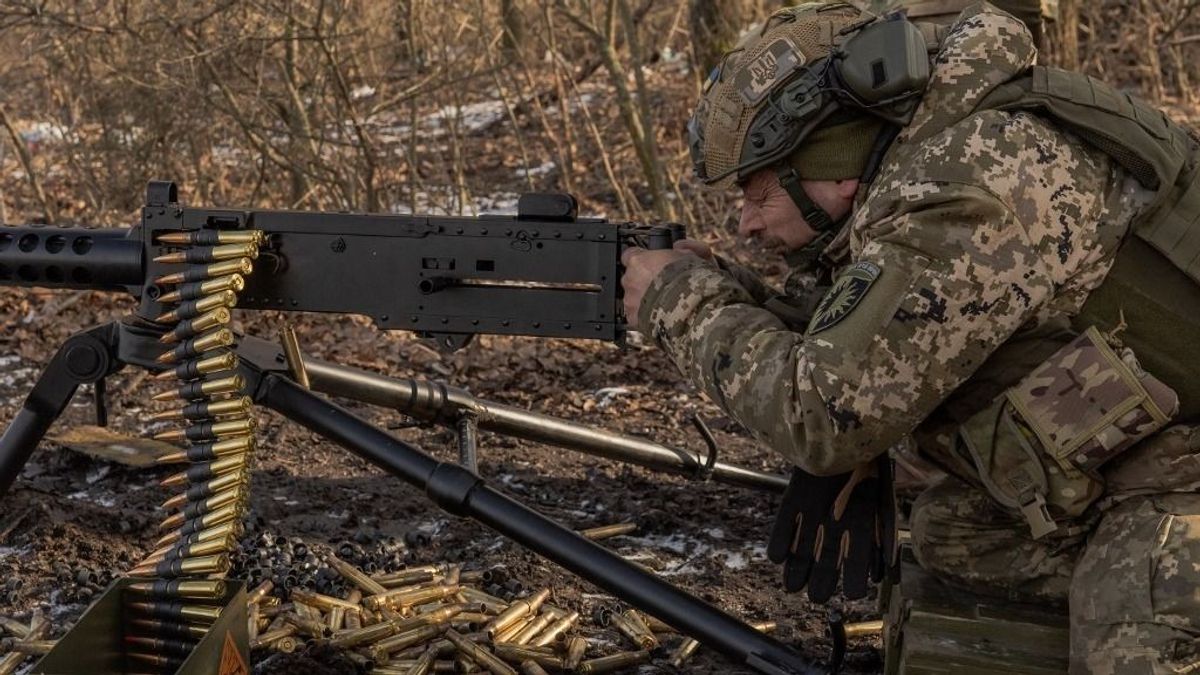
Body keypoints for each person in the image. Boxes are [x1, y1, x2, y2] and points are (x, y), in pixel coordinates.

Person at [620, 3, 1200, 673]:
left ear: (832, 164)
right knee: (956, 534)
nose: (746, 223)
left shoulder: (976, 186)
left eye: (755, 193)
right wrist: (721, 284)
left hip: (1180, 479)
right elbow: (866, 322)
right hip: (1153, 456)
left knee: (1134, 627)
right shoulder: (925, 162)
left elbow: (823, 416)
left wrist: (678, 299)